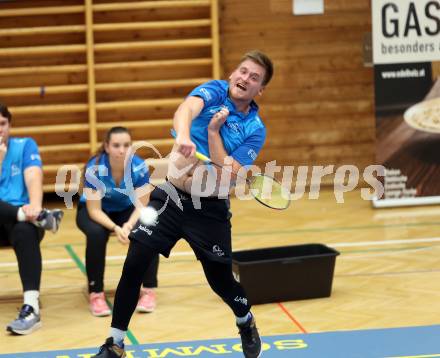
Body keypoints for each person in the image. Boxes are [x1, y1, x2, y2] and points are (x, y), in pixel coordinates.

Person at [92, 50, 273, 358]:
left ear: (260, 90)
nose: (244, 79)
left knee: (221, 281)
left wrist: (214, 133)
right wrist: (186, 135)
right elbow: (186, 109)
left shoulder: (255, 130)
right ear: (232, 74)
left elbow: (228, 171)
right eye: (242, 71)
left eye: (254, 77)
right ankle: (115, 344)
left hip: (209, 210)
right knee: (136, 260)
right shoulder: (215, 90)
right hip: (171, 196)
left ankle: (245, 320)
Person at [76, 126, 159, 317]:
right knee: (96, 234)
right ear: (106, 146)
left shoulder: (138, 167)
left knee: (148, 227)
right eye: (116, 145)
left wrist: (129, 226)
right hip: (97, 211)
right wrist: (116, 228)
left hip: (126, 210)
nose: (122, 150)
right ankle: (96, 293)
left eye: (126, 145)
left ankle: (148, 290)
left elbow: (142, 206)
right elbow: (94, 210)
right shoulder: (94, 168)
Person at [0, 103, 64, 335]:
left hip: (22, 222)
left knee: (25, 230)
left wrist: (35, 207)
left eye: (3, 124)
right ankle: (42, 218)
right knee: (26, 220)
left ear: (9, 125)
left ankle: (31, 307)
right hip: (13, 217)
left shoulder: (25, 145)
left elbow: (33, 176)